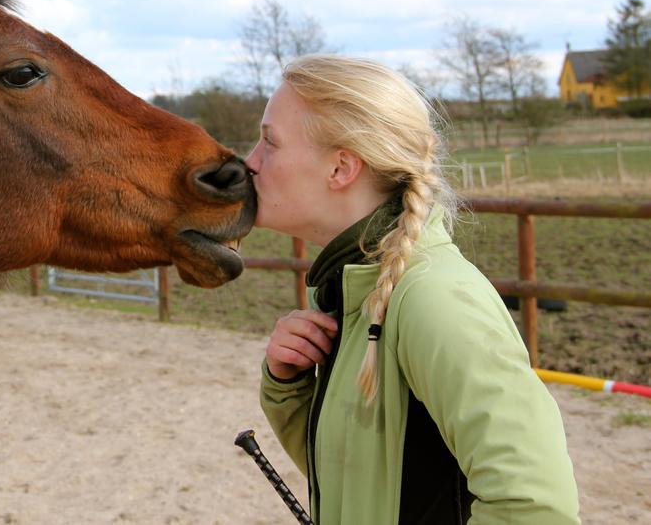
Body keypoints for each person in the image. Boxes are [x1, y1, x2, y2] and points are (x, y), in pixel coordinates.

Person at [245, 54, 579, 525]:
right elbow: (368, 485)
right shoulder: (356, 294)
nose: (251, 162)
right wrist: (287, 387)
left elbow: (534, 507)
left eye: (269, 142)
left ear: (341, 168)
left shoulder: (435, 300)